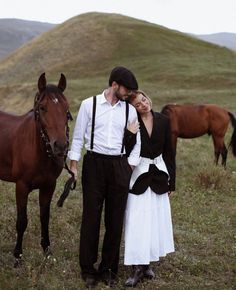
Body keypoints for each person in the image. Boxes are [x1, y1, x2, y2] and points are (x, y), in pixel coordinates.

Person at [68, 66, 141, 288]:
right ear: (114, 85)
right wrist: (74, 166)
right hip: (94, 164)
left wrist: (127, 167)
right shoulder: (88, 105)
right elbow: (78, 137)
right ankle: (88, 269)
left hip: (119, 165)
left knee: (115, 220)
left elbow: (137, 144)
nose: (128, 94)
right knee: (91, 217)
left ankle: (108, 269)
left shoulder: (130, 111)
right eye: (126, 89)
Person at [124, 90, 176, 287]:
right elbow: (127, 150)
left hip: (160, 176)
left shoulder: (163, 120)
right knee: (137, 220)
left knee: (154, 221)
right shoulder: (132, 122)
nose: (143, 105)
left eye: (143, 100)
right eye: (138, 104)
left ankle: (147, 264)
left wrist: (172, 182)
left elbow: (170, 152)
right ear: (134, 108)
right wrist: (129, 134)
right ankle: (136, 267)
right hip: (139, 177)